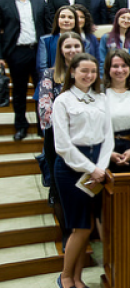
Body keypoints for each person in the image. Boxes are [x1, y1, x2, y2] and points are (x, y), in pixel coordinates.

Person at [52, 53, 113, 288]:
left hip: (97, 168)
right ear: (73, 72)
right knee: (80, 225)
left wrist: (101, 167)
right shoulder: (63, 100)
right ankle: (65, 276)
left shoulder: (101, 98)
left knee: (87, 226)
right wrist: (92, 168)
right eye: (83, 71)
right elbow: (63, 145)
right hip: (71, 169)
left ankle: (77, 278)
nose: (88, 75)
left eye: (92, 71)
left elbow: (108, 137)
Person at [38, 32, 83, 227]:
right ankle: (65, 230)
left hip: (83, 138)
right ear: (61, 50)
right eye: (68, 46)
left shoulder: (88, 72)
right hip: (57, 137)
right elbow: (45, 110)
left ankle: (82, 227)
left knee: (83, 184)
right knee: (59, 185)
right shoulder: (50, 74)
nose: (72, 50)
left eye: (76, 46)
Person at [0, 0, 48, 141]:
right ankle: (21, 126)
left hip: (38, 52)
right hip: (16, 52)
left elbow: (48, 28)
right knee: (19, 92)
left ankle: (43, 126)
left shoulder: (40, 2)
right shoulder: (2, 3)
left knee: (42, 91)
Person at [37, 5, 82, 78]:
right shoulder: (45, 40)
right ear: (57, 20)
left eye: (70, 17)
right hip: (51, 80)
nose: (66, 20)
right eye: (62, 17)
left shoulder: (84, 42)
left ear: (75, 21)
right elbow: (42, 68)